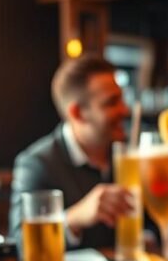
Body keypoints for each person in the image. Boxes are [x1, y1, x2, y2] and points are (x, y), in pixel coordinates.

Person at [10, 55, 133, 248]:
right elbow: (21, 243)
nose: (125, 110)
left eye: (122, 99)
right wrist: (74, 218)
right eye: (111, 102)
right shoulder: (38, 164)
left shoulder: (131, 154)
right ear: (77, 113)